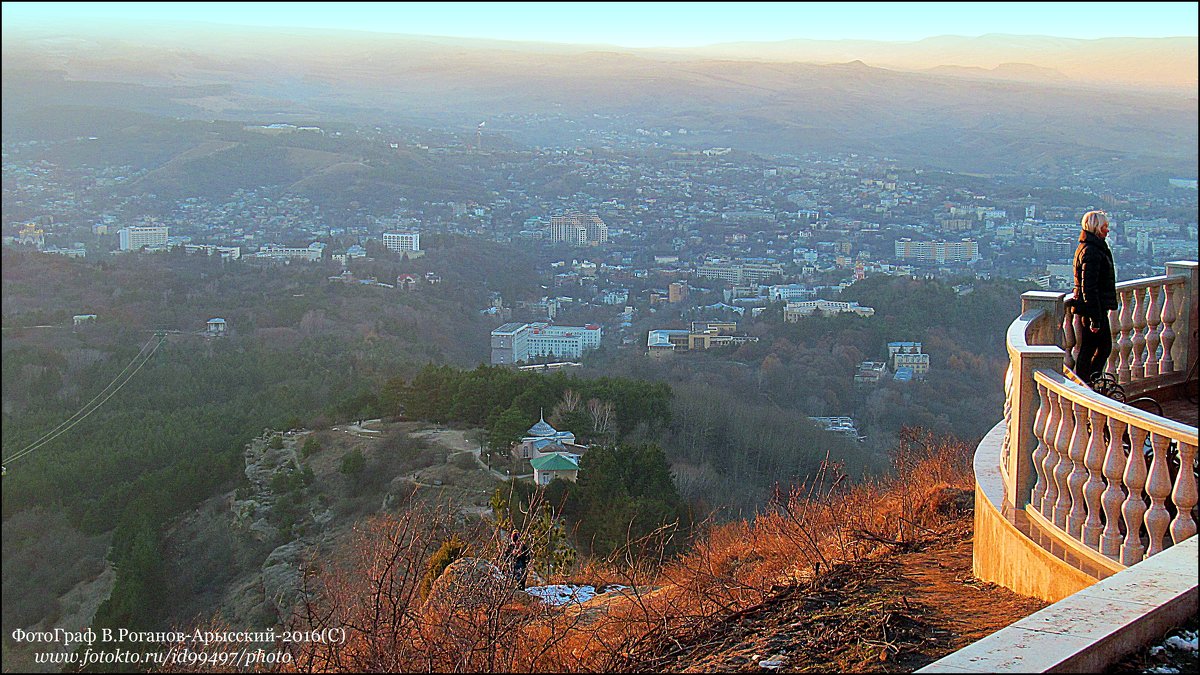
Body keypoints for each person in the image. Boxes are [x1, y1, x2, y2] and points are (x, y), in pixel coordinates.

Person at [1071, 210, 1118, 385]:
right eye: (1105, 226)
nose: (1107, 230)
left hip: (1092, 308)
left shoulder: (1090, 247)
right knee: (1099, 348)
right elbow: (1089, 288)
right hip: (1092, 310)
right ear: (1096, 227)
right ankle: (1088, 385)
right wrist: (1095, 319)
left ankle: (1088, 384)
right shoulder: (1092, 251)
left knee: (1091, 349)